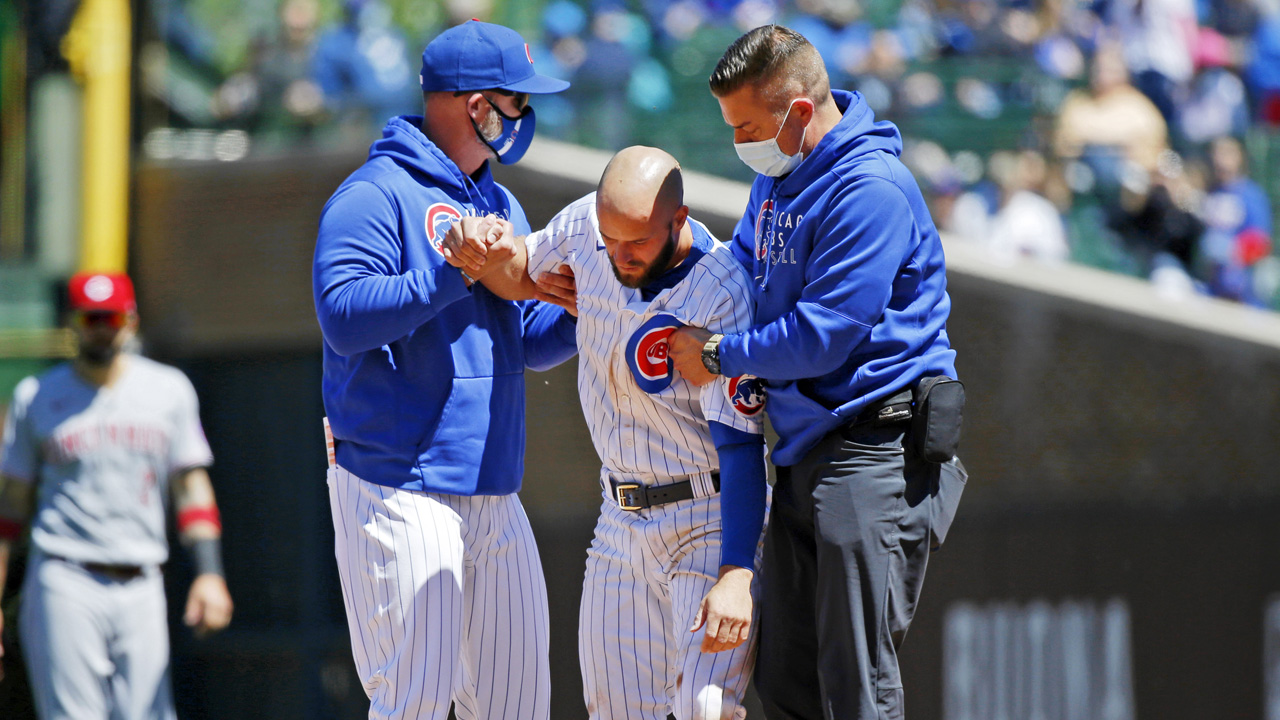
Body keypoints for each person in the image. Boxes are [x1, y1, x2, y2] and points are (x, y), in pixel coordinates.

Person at [666, 25, 968, 719]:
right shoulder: (779, 178)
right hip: (806, 454)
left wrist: (717, 354)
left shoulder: (870, 187)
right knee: (788, 681)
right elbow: (740, 268)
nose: (740, 141)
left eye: (747, 125)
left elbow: (824, 335)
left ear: (799, 112)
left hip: (876, 449)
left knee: (855, 680)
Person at [443, 146, 770, 720]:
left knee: (704, 708)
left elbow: (742, 444)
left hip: (705, 516)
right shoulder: (582, 229)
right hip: (619, 518)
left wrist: (737, 571)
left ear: (680, 220)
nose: (618, 254)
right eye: (609, 236)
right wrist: (477, 243)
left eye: (637, 242)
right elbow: (517, 271)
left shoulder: (722, 290)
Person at [311, 19, 578, 720]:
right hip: (401, 482)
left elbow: (522, 339)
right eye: (517, 100)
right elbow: (341, 316)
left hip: (494, 486)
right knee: (417, 700)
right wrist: (449, 273)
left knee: (517, 706)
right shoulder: (375, 193)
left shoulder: (499, 200)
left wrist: (585, 310)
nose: (525, 115)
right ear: (475, 104)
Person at [0, 271, 233, 719]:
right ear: (72, 322)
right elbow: (11, 506)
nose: (103, 328)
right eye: (92, 319)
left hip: (142, 579)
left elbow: (191, 486)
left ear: (130, 320)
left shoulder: (168, 390)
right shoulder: (37, 396)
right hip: (65, 576)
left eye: (111, 317)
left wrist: (209, 573)